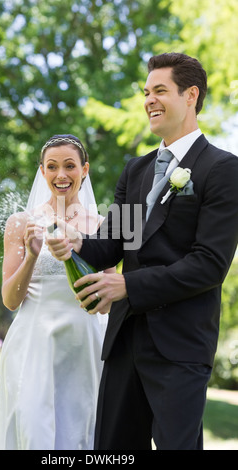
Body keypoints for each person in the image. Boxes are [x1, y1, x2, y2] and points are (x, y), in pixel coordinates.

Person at [47, 54, 238, 450]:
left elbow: (209, 265)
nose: (149, 100)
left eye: (160, 91)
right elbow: (115, 243)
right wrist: (74, 244)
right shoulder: (136, 170)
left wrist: (127, 285)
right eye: (146, 92)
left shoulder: (222, 169)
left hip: (181, 345)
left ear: (191, 95)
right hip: (124, 340)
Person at [0, 134, 115, 450]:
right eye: (52, 167)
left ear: (84, 170)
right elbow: (10, 299)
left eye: (70, 166)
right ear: (42, 171)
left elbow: (107, 304)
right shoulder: (22, 223)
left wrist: (80, 264)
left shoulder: (103, 226)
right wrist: (32, 255)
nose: (61, 175)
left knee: (80, 432)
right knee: (33, 430)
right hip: (34, 343)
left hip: (83, 345)